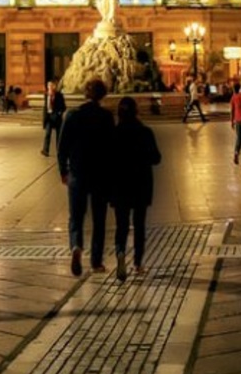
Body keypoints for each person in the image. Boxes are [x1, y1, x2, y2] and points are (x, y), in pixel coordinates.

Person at [57, 78, 115, 276]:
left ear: (85, 93)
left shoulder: (72, 115)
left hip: (77, 173)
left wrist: (63, 171)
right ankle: (96, 262)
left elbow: (62, 146)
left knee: (76, 216)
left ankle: (76, 246)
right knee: (99, 220)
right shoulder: (106, 117)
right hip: (100, 175)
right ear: (102, 95)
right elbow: (111, 148)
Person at [111, 96, 161, 281]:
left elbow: (107, 161)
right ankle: (138, 264)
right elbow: (156, 158)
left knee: (121, 225)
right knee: (139, 225)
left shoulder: (114, 133)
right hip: (141, 185)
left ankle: (120, 252)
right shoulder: (145, 132)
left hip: (119, 185)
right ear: (136, 111)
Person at [42, 81, 66, 156]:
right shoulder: (46, 96)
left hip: (57, 118)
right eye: (48, 85)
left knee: (58, 136)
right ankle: (45, 150)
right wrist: (44, 119)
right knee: (47, 134)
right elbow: (45, 107)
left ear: (54, 86)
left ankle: (59, 150)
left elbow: (64, 107)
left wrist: (59, 113)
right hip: (49, 118)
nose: (50, 87)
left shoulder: (59, 95)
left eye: (51, 85)